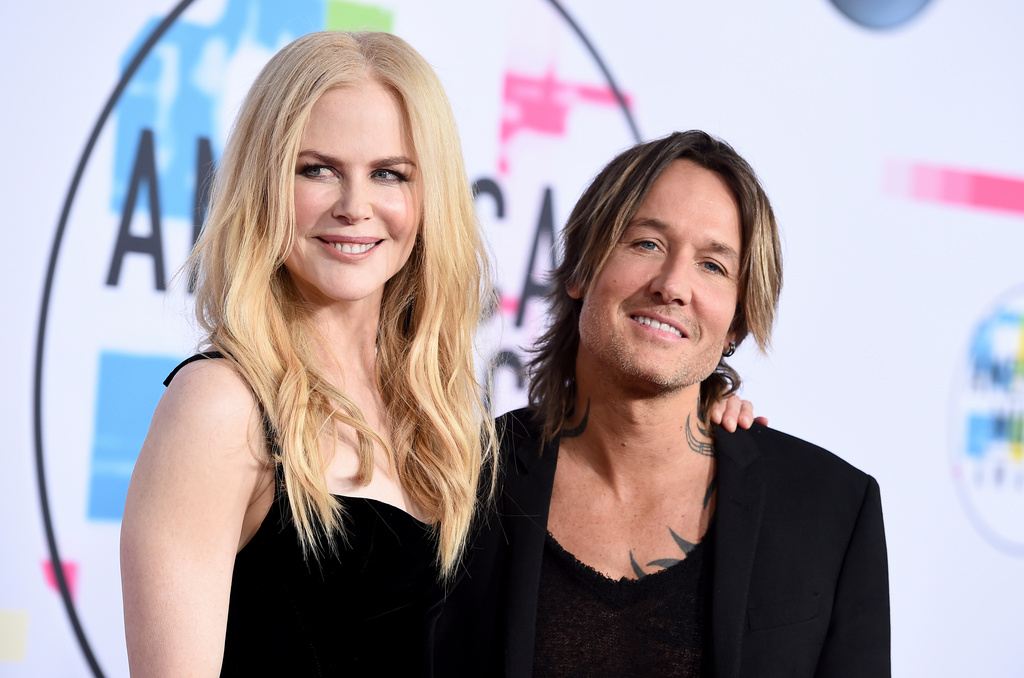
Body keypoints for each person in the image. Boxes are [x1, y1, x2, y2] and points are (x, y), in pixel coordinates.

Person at [436, 131, 890, 677]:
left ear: (737, 323)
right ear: (580, 268)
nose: (673, 285)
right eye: (646, 244)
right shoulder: (458, 479)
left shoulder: (830, 506)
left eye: (713, 266)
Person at [119, 31, 496, 676]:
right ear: (264, 182)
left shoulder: (445, 423)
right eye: (317, 169)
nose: (355, 207)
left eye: (388, 174)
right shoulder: (221, 407)